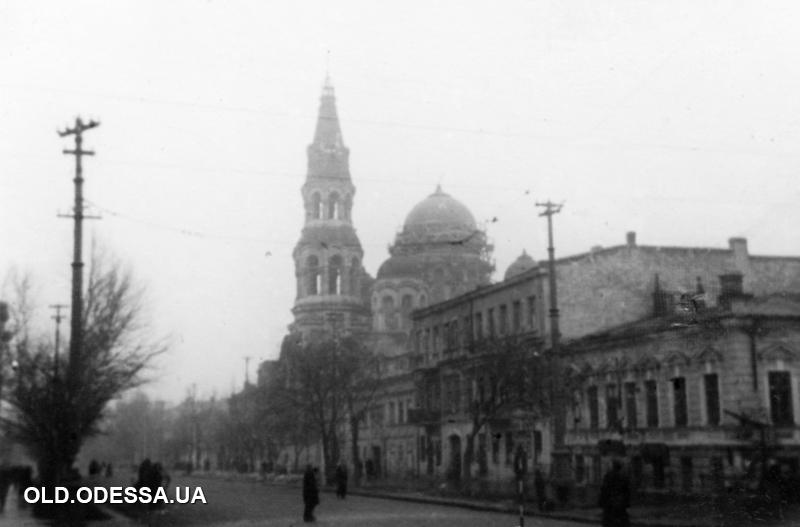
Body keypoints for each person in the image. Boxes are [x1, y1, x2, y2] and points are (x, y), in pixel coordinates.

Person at [598, 459, 631, 527]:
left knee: (609, 522)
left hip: (610, 504)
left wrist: (601, 502)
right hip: (620, 504)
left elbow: (604, 490)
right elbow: (627, 492)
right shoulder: (624, 477)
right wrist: (627, 503)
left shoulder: (608, 476)